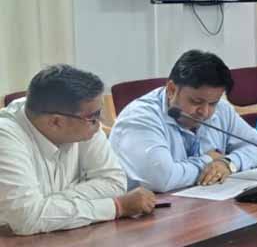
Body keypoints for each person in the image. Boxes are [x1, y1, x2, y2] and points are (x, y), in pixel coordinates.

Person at [0, 65, 155, 235]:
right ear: (56, 122)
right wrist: (116, 206)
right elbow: (27, 218)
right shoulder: (5, 136)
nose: (100, 123)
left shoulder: (78, 118)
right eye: (94, 117)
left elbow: (114, 182)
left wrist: (48, 206)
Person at [110, 50, 257, 193]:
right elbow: (162, 179)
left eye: (213, 103)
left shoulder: (222, 109)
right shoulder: (140, 118)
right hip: (146, 211)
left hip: (202, 203)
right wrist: (208, 160)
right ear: (172, 90)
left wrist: (228, 163)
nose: (205, 112)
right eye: (196, 102)